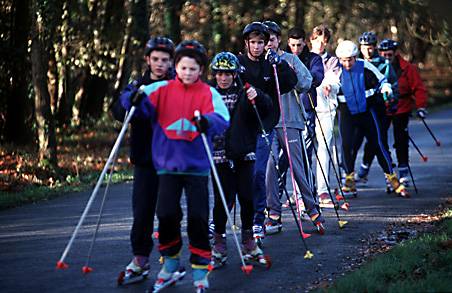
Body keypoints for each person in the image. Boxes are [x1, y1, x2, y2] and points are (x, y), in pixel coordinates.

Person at [123, 40, 230, 291]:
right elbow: (136, 106)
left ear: (201, 70)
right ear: (177, 67)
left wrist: (207, 122)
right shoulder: (161, 88)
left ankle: (201, 269)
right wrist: (133, 99)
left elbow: (223, 119)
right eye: (183, 68)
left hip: (197, 166)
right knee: (167, 214)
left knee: (198, 218)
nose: (187, 73)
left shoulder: (208, 93)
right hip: (168, 166)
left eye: (193, 69)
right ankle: (170, 263)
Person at [112, 36, 174, 285]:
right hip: (144, 159)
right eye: (155, 59)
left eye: (165, 60)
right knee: (142, 212)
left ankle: (170, 260)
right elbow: (118, 111)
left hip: (171, 159)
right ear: (148, 60)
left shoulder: (177, 84)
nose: (159, 64)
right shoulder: (138, 84)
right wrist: (129, 102)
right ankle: (140, 259)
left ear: (171, 61)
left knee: (167, 212)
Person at [208, 52, 272, 268]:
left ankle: (248, 241)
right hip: (219, 156)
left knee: (247, 197)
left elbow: (266, 109)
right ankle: (219, 243)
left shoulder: (245, 91)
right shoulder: (209, 95)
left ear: (235, 74)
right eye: (219, 73)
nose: (223, 78)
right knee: (222, 201)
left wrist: (259, 97)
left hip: (244, 153)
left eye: (227, 73)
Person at [262, 21, 325, 235]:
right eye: (263, 40)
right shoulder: (258, 62)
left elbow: (307, 82)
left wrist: (288, 72)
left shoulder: (290, 59)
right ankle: (273, 213)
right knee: (270, 167)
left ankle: (312, 209)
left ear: (279, 39)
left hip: (290, 119)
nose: (267, 43)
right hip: (267, 122)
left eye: (271, 39)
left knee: (297, 167)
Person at [237, 21, 298, 244]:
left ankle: (258, 220)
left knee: (258, 174)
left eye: (260, 43)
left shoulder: (270, 64)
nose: (256, 46)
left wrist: (280, 64)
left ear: (266, 44)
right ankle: (238, 217)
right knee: (240, 175)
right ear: (246, 43)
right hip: (241, 129)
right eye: (252, 42)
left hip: (264, 127)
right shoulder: (239, 64)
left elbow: (291, 84)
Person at [334, 40, 408, 198]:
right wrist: (327, 88)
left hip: (367, 111)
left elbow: (382, 80)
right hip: (346, 112)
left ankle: (392, 178)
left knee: (378, 144)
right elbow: (329, 82)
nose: (347, 64)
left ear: (355, 57)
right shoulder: (336, 68)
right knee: (347, 145)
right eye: (344, 60)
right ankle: (348, 179)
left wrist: (386, 89)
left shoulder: (364, 66)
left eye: (350, 60)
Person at [376, 38, 428, 186]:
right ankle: (389, 171)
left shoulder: (407, 68)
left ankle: (403, 169)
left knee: (401, 139)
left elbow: (418, 87)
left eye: (389, 54)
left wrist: (421, 106)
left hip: (402, 106)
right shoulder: (376, 67)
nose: (387, 58)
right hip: (383, 108)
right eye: (384, 54)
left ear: (395, 53)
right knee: (381, 139)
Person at [354, 32, 400, 188]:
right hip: (360, 109)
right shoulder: (355, 63)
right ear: (360, 48)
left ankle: (389, 175)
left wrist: (392, 99)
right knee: (355, 141)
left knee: (380, 141)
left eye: (371, 47)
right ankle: (350, 175)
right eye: (365, 48)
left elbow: (392, 84)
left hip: (380, 109)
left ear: (375, 48)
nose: (368, 51)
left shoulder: (384, 64)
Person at [309, 25, 341, 208]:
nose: (320, 44)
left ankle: (322, 190)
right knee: (304, 153)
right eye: (317, 40)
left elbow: (335, 81)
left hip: (326, 109)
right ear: (311, 40)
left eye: (324, 41)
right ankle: (302, 193)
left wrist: (330, 86)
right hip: (306, 109)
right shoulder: (305, 58)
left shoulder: (332, 61)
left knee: (324, 149)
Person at [286, 26, 324, 171]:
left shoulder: (313, 59)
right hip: (286, 111)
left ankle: (308, 190)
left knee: (305, 153)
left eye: (299, 45)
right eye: (293, 45)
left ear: (305, 43)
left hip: (307, 109)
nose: (296, 48)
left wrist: (301, 75)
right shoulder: (281, 59)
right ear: (288, 43)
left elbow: (317, 76)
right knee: (285, 156)